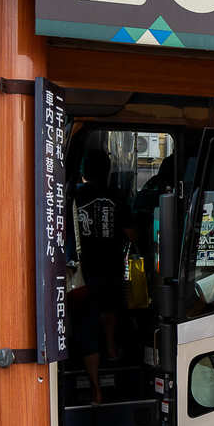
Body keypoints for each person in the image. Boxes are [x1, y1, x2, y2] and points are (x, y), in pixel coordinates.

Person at [72, 149, 134, 404]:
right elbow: (131, 234)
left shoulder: (74, 195)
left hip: (82, 274)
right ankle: (111, 347)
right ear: (107, 171)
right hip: (111, 267)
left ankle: (96, 388)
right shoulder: (117, 196)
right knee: (110, 311)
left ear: (84, 171)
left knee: (86, 325)